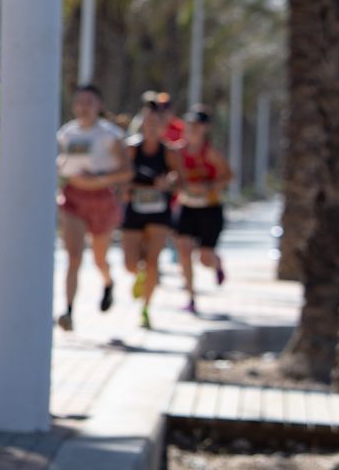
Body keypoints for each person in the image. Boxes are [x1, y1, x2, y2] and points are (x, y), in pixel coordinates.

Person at [55, 84, 132, 331]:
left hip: (101, 199)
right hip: (73, 199)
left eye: (89, 102)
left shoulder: (110, 135)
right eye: (79, 102)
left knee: (99, 258)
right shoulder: (66, 134)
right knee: (74, 256)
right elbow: (61, 164)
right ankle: (68, 311)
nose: (84, 107)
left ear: (99, 106)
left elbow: (126, 171)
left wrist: (98, 178)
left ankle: (108, 282)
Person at [122, 105, 182, 329]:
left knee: (153, 261)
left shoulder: (169, 152)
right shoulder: (131, 149)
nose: (151, 128)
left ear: (162, 128)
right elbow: (121, 179)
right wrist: (133, 187)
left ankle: (146, 309)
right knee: (130, 263)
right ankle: (138, 274)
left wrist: (168, 183)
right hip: (135, 210)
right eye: (148, 123)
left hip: (159, 211)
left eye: (156, 124)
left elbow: (180, 181)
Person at [174, 106, 232, 314]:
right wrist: (177, 183)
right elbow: (173, 176)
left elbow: (227, 176)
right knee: (183, 248)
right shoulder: (177, 152)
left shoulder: (211, 153)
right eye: (189, 124)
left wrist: (208, 187)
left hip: (209, 208)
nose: (192, 129)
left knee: (205, 258)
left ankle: (216, 264)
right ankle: (190, 297)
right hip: (186, 206)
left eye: (197, 125)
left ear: (205, 128)